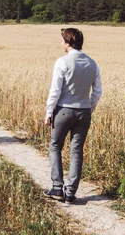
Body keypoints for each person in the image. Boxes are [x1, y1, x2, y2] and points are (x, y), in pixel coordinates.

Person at [43, 28, 102, 204]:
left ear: (68, 42)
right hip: (84, 112)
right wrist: (89, 108)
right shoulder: (93, 63)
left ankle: (57, 188)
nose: (60, 43)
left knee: (55, 146)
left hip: (63, 110)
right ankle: (70, 193)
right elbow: (97, 91)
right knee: (76, 151)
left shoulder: (62, 62)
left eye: (62, 40)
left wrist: (48, 113)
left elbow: (55, 91)